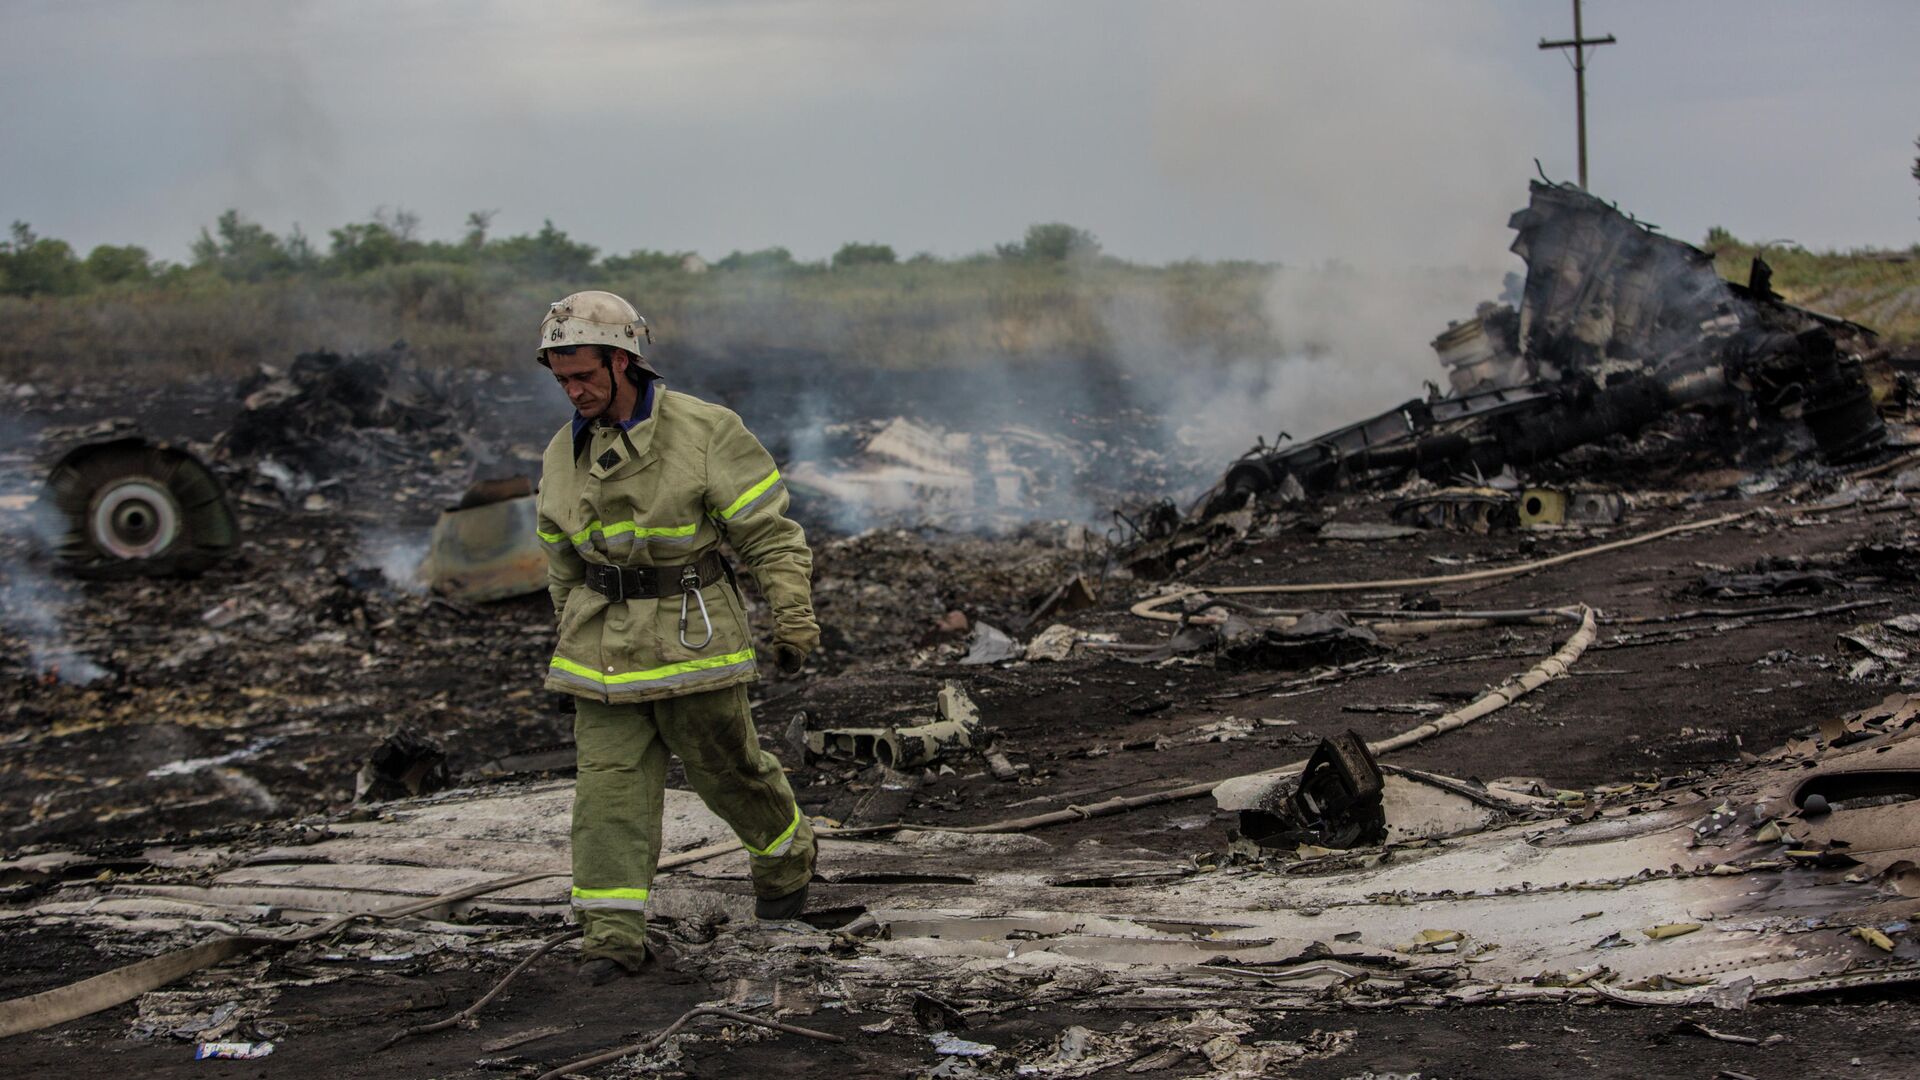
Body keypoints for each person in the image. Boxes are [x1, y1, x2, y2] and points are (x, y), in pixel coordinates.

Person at [532, 290, 818, 985]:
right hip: (601, 653)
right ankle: (611, 940)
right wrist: (570, 634)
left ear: (624, 360)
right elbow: (560, 560)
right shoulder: (562, 453)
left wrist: (792, 615)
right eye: (562, 379)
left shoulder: (705, 431)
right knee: (608, 795)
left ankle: (785, 870)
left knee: (732, 774)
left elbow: (769, 535)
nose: (574, 392)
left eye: (585, 377)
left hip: (694, 640)